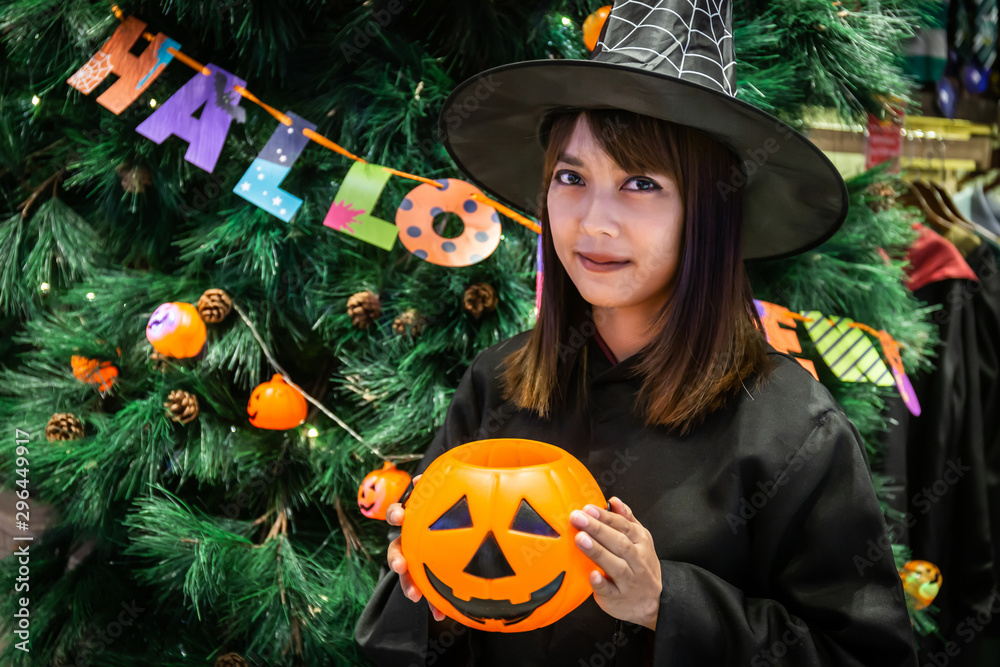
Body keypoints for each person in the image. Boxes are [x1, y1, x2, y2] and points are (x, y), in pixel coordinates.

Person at [355, 1, 919, 665]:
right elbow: (421, 634)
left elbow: (866, 655)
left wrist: (667, 602)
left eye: (641, 184)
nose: (594, 221)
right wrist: (421, 581)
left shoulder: (791, 427)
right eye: (571, 177)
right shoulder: (495, 383)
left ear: (708, 211)